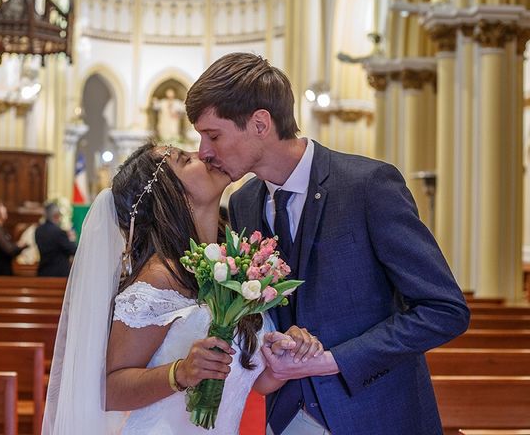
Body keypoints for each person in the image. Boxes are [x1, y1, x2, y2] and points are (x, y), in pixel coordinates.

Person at [185, 52, 471, 435]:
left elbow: (444, 310)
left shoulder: (367, 186)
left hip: (374, 415)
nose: (204, 150)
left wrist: (333, 360)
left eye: (213, 134)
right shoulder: (243, 202)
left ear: (259, 123)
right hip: (284, 418)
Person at [42, 142, 321, 435]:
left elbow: (249, 379)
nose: (203, 154)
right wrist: (180, 372)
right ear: (170, 195)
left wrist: (282, 357)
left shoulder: (233, 267)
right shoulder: (159, 279)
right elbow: (109, 391)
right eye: (185, 160)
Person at [35, 202, 77, 277]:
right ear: (56, 216)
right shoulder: (59, 232)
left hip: (43, 273)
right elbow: (73, 250)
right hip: (58, 275)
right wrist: (72, 239)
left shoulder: (38, 231)